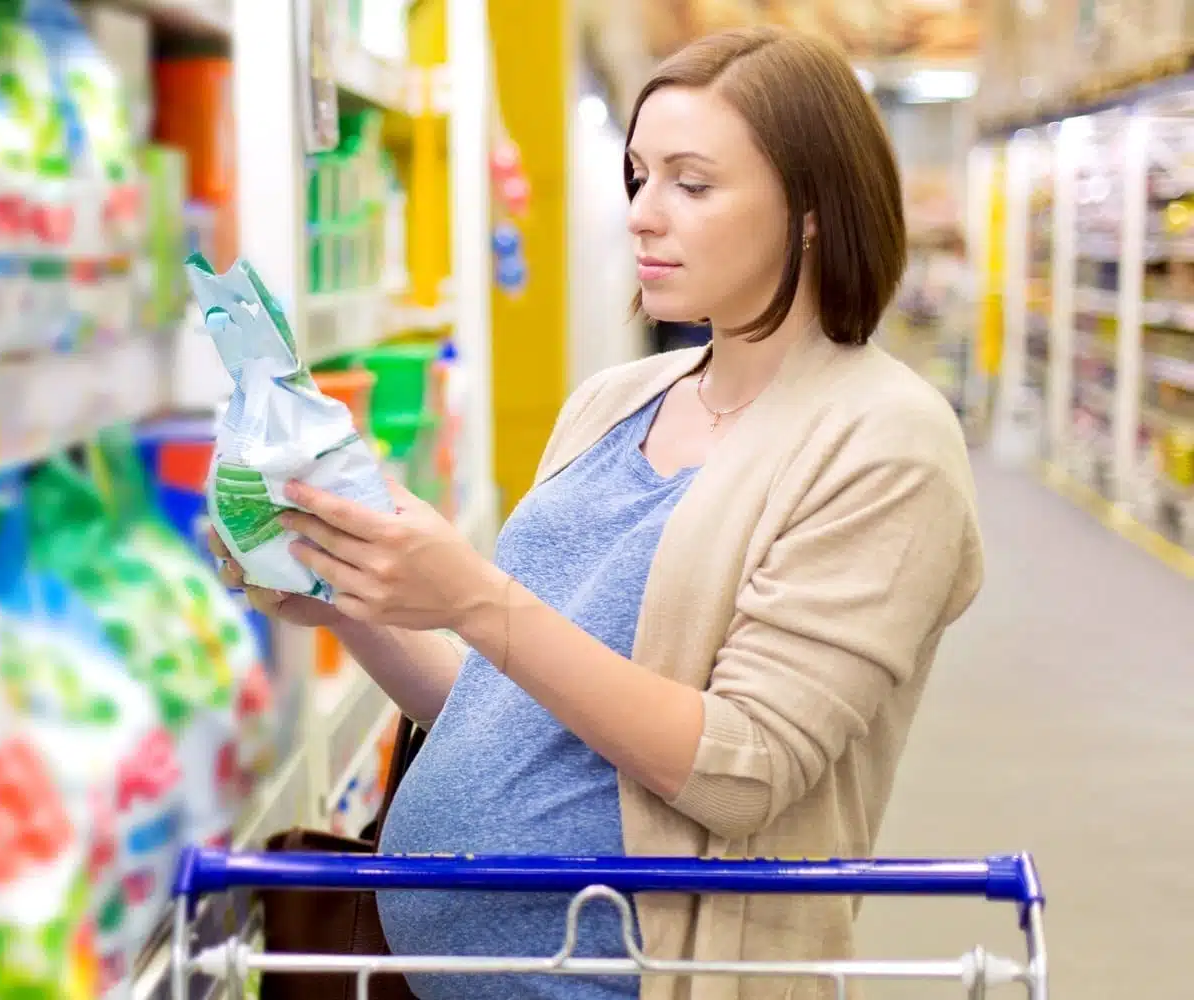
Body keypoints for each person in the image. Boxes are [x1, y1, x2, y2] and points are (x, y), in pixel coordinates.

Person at [209, 25, 983, 1000]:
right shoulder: (616, 399)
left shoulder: (884, 441)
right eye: (638, 175)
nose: (643, 215)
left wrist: (470, 594)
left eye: (691, 184)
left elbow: (743, 769)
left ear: (814, 211)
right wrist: (351, 591)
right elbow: (515, 714)